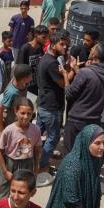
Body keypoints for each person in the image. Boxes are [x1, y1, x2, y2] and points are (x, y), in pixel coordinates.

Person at [64, 43, 104, 152]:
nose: (90, 49)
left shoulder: (85, 72)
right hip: (94, 121)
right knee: (85, 154)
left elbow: (69, 94)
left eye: (92, 49)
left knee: (71, 154)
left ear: (95, 55)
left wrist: (65, 77)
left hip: (77, 121)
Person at [36, 31, 73, 168]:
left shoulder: (47, 59)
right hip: (51, 107)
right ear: (52, 45)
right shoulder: (51, 63)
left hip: (44, 103)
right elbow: (63, 83)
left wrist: (67, 67)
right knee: (53, 137)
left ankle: (37, 157)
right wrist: (72, 70)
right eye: (61, 44)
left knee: (37, 135)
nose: (65, 47)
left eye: (66, 45)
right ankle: (41, 164)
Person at [0, 98, 42, 198]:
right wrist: (5, 171)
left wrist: (35, 169)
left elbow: (37, 150)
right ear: (15, 111)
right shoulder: (9, 130)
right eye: (22, 113)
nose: (25, 117)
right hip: (11, 164)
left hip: (27, 163)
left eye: (29, 114)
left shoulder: (36, 130)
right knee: (5, 191)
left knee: (24, 192)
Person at [0, 64, 32, 133]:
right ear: (23, 79)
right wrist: (0, 130)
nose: (32, 78)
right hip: (13, 124)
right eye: (30, 76)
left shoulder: (21, 81)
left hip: (21, 120)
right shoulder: (12, 93)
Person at [17, 24, 47, 96]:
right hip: (26, 85)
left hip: (35, 84)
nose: (45, 40)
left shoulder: (40, 48)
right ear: (36, 35)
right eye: (43, 37)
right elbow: (19, 68)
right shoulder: (25, 49)